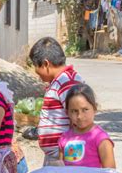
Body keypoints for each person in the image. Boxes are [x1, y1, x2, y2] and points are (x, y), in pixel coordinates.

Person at [28, 37, 84, 165]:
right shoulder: (60, 81)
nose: (37, 73)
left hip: (65, 157)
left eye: (36, 67)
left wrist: (71, 160)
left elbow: (79, 119)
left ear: (46, 64)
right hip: (56, 155)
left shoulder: (67, 82)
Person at [58, 84, 116, 168]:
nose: (79, 116)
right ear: (67, 113)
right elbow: (60, 172)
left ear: (95, 108)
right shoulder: (64, 139)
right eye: (74, 111)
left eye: (85, 110)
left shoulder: (101, 139)